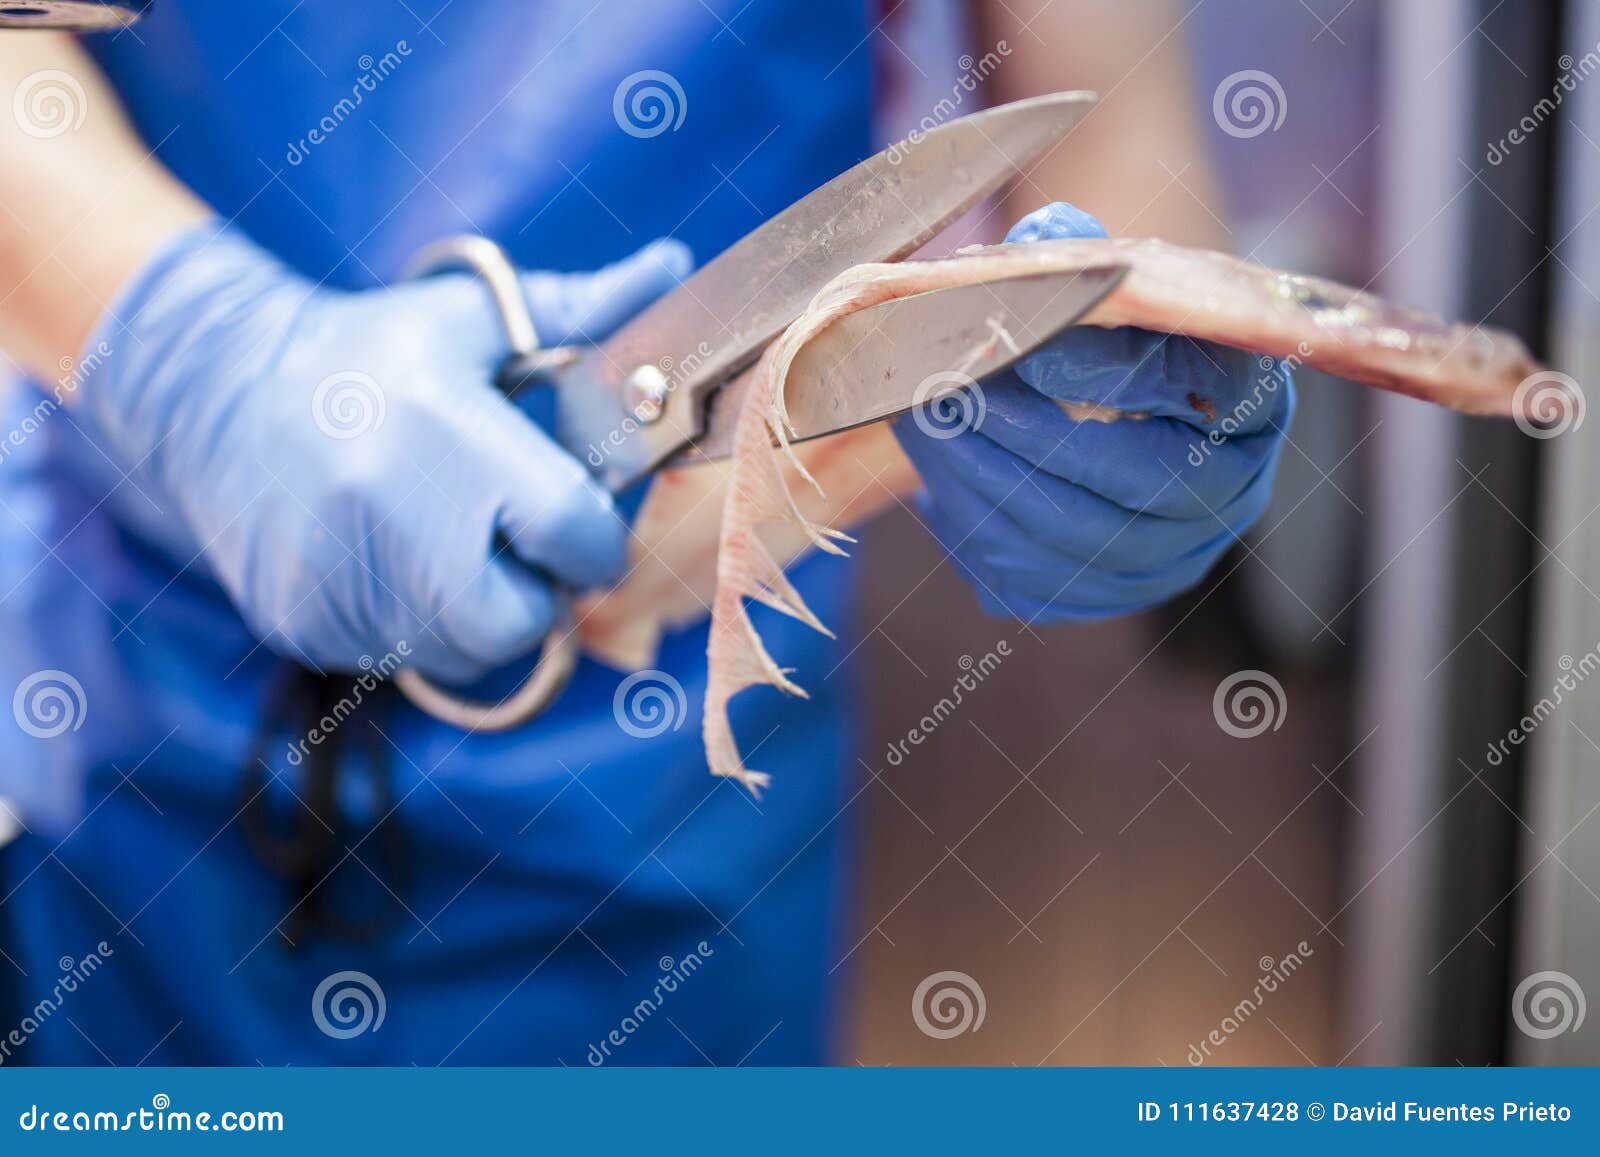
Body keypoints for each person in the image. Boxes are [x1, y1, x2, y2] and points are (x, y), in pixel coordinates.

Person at [0, 1, 1291, 1064]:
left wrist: (1128, 400)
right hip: (114, 694)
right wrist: (194, 350)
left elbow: (1119, 146)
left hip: (670, 755)